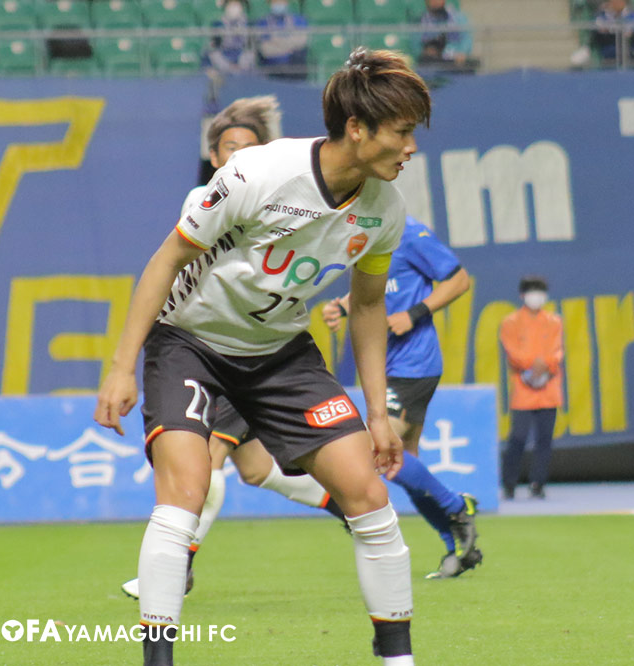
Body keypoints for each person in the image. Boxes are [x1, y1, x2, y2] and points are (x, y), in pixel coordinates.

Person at [94, 48, 430, 666]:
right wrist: (122, 366)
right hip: (190, 343)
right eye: (403, 132)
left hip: (279, 354)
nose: (411, 148)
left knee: (368, 496)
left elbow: (367, 306)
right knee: (186, 493)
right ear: (358, 128)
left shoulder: (385, 209)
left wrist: (378, 414)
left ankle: (397, 659)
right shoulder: (259, 174)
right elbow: (166, 260)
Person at [119, 95, 349, 602]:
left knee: (211, 458)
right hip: (201, 345)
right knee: (257, 469)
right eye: (229, 148)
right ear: (213, 155)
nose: (238, 156)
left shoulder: (282, 203)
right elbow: (178, 264)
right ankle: (348, 508)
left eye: (249, 147)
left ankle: (178, 565)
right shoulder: (200, 201)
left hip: (250, 350)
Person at [323, 217, 483, 579]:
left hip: (414, 364)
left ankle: (458, 507)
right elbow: (381, 288)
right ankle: (458, 544)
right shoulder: (361, 233)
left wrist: (413, 314)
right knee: (406, 463)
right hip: (385, 365)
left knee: (380, 452)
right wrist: (343, 307)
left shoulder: (409, 233)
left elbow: (459, 280)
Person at [499, 276, 563, 500]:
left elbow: (557, 350)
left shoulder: (554, 321)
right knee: (518, 437)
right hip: (523, 387)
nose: (537, 297)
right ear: (522, 295)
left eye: (540, 292)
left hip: (549, 387)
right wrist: (531, 364)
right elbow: (511, 351)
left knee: (545, 439)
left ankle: (538, 483)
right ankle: (509, 483)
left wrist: (545, 364)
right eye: (532, 292)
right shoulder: (511, 322)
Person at [255, 0, 308, 79]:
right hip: (271, 71)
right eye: (276, 2)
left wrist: (275, 42)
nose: (279, 4)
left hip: (294, 70)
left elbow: (302, 42)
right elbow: (265, 49)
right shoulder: (262, 23)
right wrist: (289, 46)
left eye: (281, 1)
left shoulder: (299, 20)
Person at [418, 0, 476, 71]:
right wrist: (428, 50)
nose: (435, 2)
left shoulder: (458, 17)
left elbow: (466, 38)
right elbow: (419, 42)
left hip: (455, 62)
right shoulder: (423, 20)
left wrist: (462, 52)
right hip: (434, 64)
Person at [202, 0, 255, 74]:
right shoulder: (217, 25)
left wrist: (242, 64)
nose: (234, 8)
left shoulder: (249, 25)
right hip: (222, 64)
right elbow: (213, 49)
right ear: (226, 7)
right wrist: (226, 66)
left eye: (237, 5)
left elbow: (251, 48)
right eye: (231, 5)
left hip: (244, 65)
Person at [588, 0, 634, 67]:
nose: (617, 3)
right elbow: (598, 27)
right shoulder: (602, 16)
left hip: (631, 55)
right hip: (609, 57)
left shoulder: (633, 15)